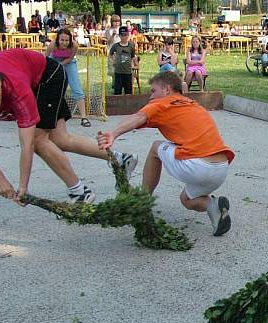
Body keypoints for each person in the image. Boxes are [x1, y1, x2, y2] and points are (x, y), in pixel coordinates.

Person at [0, 49, 137, 204]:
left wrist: (23, 187)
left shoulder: (16, 87)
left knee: (38, 140)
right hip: (31, 77)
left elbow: (27, 143)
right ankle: (121, 159)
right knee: (61, 140)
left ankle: (80, 192)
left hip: (48, 75)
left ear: (0, 81)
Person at [97, 72, 234, 236]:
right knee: (187, 200)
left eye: (153, 91)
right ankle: (213, 206)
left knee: (156, 148)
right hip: (220, 168)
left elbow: (139, 116)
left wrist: (114, 133)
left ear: (167, 89)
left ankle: (143, 202)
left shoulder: (163, 103)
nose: (150, 96)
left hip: (198, 166)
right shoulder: (193, 104)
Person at [46, 28, 88, 126]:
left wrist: (61, 65)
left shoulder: (74, 45)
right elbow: (46, 59)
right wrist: (54, 69)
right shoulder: (52, 45)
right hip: (53, 61)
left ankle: (84, 117)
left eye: (66, 40)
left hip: (69, 63)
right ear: (58, 39)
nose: (64, 43)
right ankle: (51, 114)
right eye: (62, 40)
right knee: (52, 87)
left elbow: (70, 58)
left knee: (76, 87)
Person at [109, 26, 138, 95]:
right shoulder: (116, 46)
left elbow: (133, 56)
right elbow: (110, 54)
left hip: (127, 72)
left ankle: (128, 105)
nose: (124, 37)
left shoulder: (131, 46)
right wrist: (114, 61)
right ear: (119, 36)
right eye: (122, 35)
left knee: (128, 92)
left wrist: (134, 64)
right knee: (117, 92)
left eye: (125, 35)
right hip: (118, 72)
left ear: (128, 35)